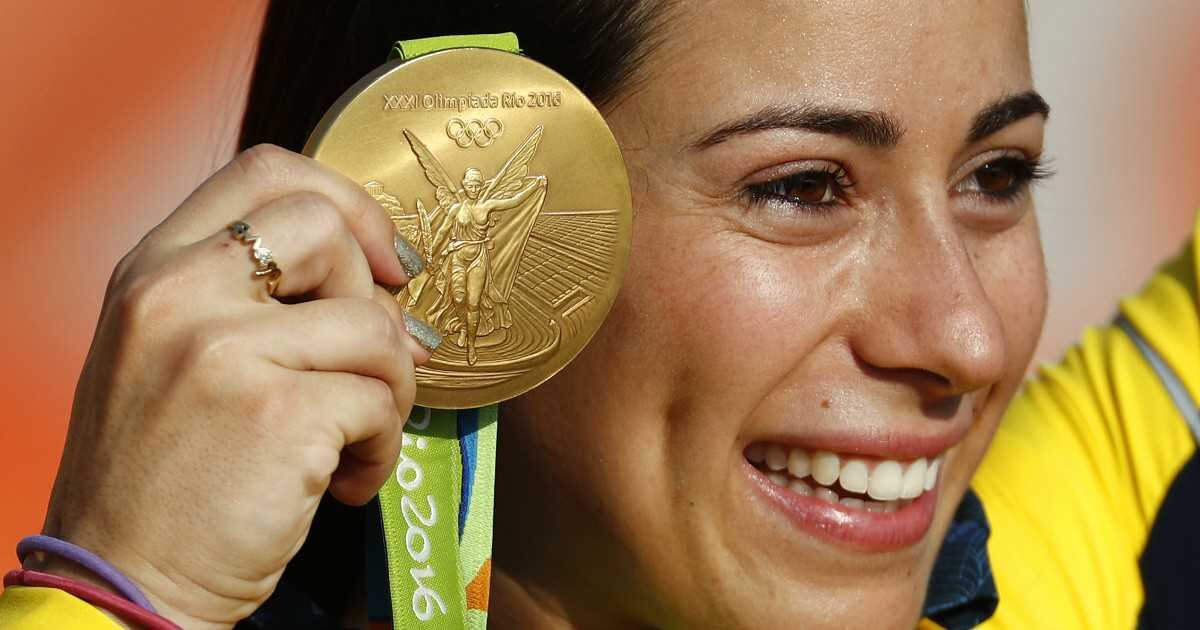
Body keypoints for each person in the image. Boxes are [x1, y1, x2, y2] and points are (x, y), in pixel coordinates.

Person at [0, 1, 1196, 628]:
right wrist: (127, 596)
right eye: (801, 188)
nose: (967, 339)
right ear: (427, 210)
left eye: (997, 176)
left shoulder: (1070, 571)